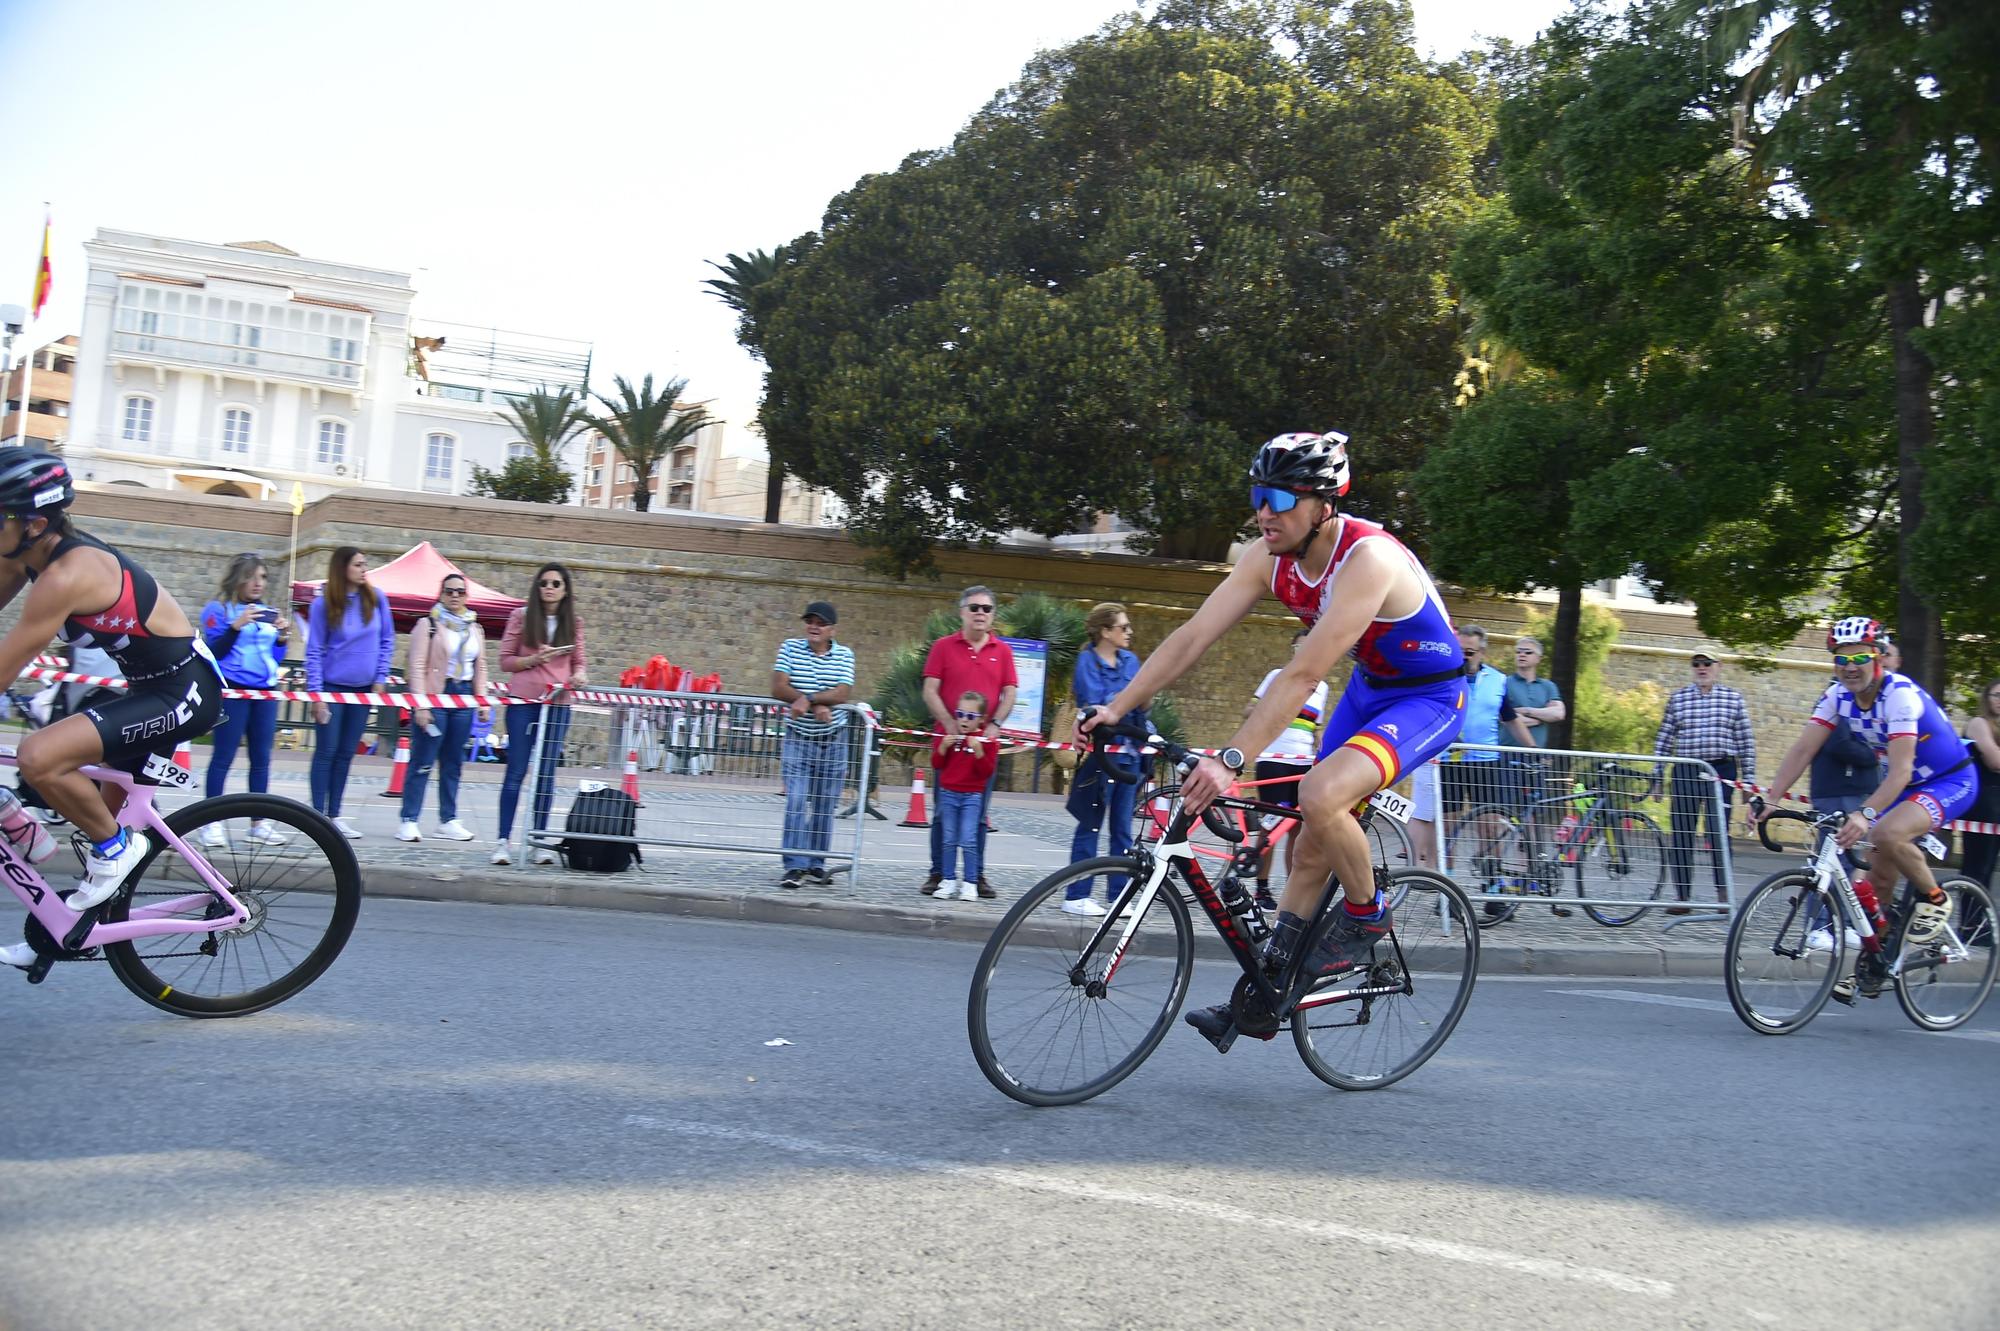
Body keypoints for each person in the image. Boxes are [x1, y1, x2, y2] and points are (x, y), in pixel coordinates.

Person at [1081, 430, 1467, 1052]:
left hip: (1430, 696)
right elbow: (1192, 636)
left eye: (1280, 498)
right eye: (1259, 495)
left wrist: (1233, 758)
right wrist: (1117, 707)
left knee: (1320, 794)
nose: (1264, 511)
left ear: (1322, 504)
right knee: (1306, 846)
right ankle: (1274, 987)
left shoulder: (1368, 559)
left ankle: (1369, 917)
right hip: (1371, 689)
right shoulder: (1268, 556)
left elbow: (1304, 674)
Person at [0, 452, 223, 970]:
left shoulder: (68, 575)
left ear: (34, 524)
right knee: (98, 818)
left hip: (184, 690)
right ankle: (60, 934)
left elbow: (5, 666)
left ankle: (119, 849)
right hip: (147, 688)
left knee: (39, 757)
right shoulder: (23, 558)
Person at [1755, 617, 1965, 1001]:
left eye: (1861, 657)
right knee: (1874, 883)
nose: (1850, 667)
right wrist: (1772, 798)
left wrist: (1864, 813)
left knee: (1885, 833)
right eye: (1841, 658)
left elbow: (1902, 770)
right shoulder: (1838, 696)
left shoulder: (1899, 695)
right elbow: (1805, 748)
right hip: (1899, 787)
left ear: (1879, 658)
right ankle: (1876, 961)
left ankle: (1937, 899)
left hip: (1946, 780)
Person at [918, 586, 1017, 899]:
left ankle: (976, 875)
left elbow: (1010, 692)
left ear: (993, 615)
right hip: (948, 742)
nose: (980, 613)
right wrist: (948, 722)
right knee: (941, 813)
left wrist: (996, 725)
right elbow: (930, 690)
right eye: (974, 607)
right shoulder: (943, 647)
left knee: (980, 813)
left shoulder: (1002, 651)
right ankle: (939, 872)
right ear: (962, 612)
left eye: (986, 609)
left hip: (982, 747)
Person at [492, 562, 587, 866]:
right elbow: (505, 661)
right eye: (544, 583)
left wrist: (580, 675)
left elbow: (579, 661)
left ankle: (539, 840)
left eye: (556, 584)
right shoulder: (520, 617)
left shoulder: (574, 622)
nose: (549, 588)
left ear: (565, 590)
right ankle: (503, 842)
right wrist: (534, 659)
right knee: (516, 770)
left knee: (546, 773)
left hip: (558, 703)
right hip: (524, 701)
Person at [197, 553, 293, 849]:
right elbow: (213, 651)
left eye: (262, 577)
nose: (257, 583)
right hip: (233, 692)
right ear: (238, 578)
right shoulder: (219, 609)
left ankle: (258, 822)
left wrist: (281, 639)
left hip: (264, 692)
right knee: (224, 756)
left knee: (261, 758)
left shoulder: (266, 612)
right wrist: (235, 627)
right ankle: (210, 823)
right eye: (251, 577)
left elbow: (275, 658)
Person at [1653, 651, 1756, 913]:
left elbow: (1746, 742)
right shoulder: (1678, 699)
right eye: (1696, 664)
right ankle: (1682, 897)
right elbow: (1664, 740)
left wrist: (1749, 782)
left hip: (1721, 771)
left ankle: (1723, 896)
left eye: (1707, 664)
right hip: (1686, 771)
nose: (1701, 668)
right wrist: (1657, 777)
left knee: (1718, 833)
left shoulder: (1733, 699)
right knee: (1681, 834)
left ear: (1718, 667)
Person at [1063, 602, 1148, 916]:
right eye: (1123, 627)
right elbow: (1094, 702)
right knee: (1091, 824)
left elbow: (1140, 703)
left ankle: (1119, 895)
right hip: (1100, 755)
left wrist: (1135, 699)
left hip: (1129, 754)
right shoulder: (1087, 661)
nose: (1129, 632)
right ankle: (1076, 894)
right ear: (1105, 631)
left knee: (1123, 828)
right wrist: (1129, 699)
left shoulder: (1131, 660)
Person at [306, 546, 393, 839]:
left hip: (363, 690)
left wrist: (380, 677)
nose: (364, 569)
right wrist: (316, 694)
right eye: (358, 564)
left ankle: (335, 814)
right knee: (326, 751)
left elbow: (386, 640)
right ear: (342, 568)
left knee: (345, 753)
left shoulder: (376, 597)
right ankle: (317, 816)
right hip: (332, 688)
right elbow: (314, 649)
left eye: (365, 564)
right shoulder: (324, 603)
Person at [397, 572, 488, 844]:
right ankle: (409, 819)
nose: (455, 595)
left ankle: (448, 819)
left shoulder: (475, 628)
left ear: (467, 596)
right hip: (436, 693)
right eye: (449, 591)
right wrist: (420, 705)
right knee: (422, 760)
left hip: (463, 697)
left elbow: (480, 666)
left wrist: (481, 700)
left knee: (453, 763)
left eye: (460, 591)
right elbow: (416, 666)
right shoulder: (428, 625)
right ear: (441, 594)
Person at [772, 599, 856, 889]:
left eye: (821, 623)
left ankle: (816, 862)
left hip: (833, 739)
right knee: (796, 800)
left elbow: (842, 692)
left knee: (824, 804)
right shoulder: (790, 647)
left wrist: (809, 699)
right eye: (810, 621)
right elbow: (778, 685)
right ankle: (795, 864)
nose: (814, 627)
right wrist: (816, 704)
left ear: (832, 629)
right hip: (799, 736)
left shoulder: (845, 654)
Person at [1243, 628, 1328, 913]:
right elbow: (1249, 710)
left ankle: (1294, 890)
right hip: (1273, 761)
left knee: (1298, 829)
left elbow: (1315, 726)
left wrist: (1321, 741)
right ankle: (1261, 889)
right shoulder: (1277, 676)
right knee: (1270, 827)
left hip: (1303, 763)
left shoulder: (1322, 687)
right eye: (1299, 648)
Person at [931, 691, 1000, 902]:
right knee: (949, 839)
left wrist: (979, 751)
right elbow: (937, 765)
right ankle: (948, 879)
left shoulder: (986, 741)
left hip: (972, 796)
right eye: (960, 714)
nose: (964, 720)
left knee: (969, 840)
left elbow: (987, 772)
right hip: (948, 794)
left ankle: (970, 883)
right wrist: (943, 747)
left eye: (970, 716)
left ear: (981, 719)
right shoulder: (949, 736)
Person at [1959, 679, 2000, 902]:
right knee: (1977, 869)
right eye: (1997, 695)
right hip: (1983, 802)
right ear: (1987, 698)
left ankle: (1982, 927)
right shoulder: (1979, 723)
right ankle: (1972, 927)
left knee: (1989, 869)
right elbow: (1995, 761)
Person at [1505, 635, 1565, 749]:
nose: (1522, 655)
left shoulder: (1548, 686)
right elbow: (1505, 718)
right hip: (1507, 753)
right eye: (1518, 652)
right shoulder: (1503, 683)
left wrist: (1525, 711)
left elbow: (1558, 714)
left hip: (1537, 756)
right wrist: (1541, 718)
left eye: (1528, 652)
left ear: (1538, 658)